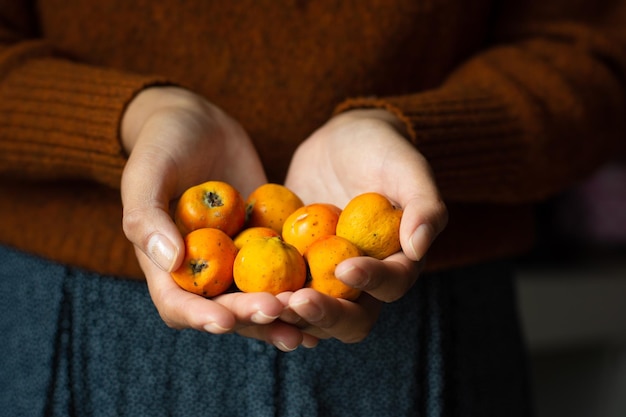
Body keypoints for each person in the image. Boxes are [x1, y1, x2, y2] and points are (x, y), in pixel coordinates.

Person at [1, 1, 625, 416]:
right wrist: (134, 118)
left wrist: (414, 132)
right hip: (70, 318)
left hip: (429, 312)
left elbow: (593, 53)